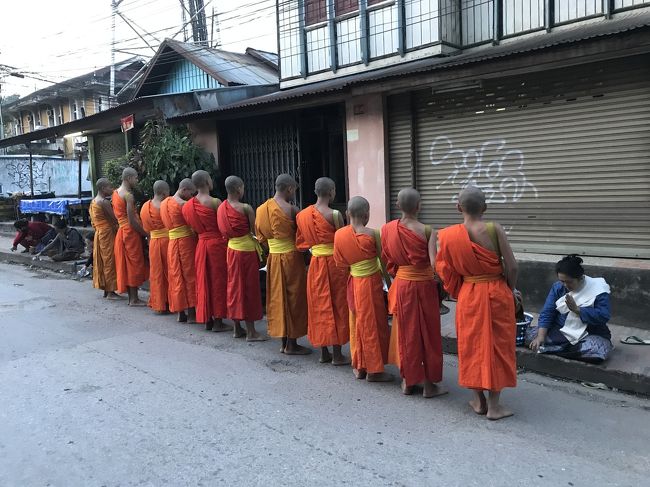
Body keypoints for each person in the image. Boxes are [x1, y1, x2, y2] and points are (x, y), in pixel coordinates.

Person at [435, 186, 518, 420]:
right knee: (497, 345)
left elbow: (445, 270)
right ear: (485, 207)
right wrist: (509, 290)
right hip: (496, 291)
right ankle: (494, 406)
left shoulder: (448, 235)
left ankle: (478, 400)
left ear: (458, 207)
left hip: (469, 292)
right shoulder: (494, 229)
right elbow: (512, 266)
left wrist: (460, 288)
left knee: (471, 344)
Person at [381, 188, 446, 397]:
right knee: (428, 333)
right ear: (419, 206)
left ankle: (408, 381)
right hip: (424, 286)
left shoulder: (388, 229)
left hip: (402, 286)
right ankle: (428, 385)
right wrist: (443, 280)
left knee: (406, 334)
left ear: (398, 206)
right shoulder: (427, 231)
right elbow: (435, 264)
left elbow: (388, 260)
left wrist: (399, 275)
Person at [333, 196, 392, 382]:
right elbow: (384, 263)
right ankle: (375, 371)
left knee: (357, 323)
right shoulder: (373, 234)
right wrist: (389, 286)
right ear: (367, 215)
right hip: (371, 284)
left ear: (347, 214)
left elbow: (340, 264)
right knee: (373, 324)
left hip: (354, 282)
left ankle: (359, 367)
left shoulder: (339, 235)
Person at [295, 177, 350, 365]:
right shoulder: (334, 214)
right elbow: (343, 240)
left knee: (318, 305)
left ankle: (323, 353)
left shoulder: (302, 215)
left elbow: (301, 244)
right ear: (332, 191)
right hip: (334, 265)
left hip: (315, 264)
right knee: (336, 305)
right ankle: (337, 354)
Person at [256, 174, 310, 355]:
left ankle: (283, 342)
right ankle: (292, 344)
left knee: (277, 297)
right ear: (289, 189)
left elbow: (261, 237)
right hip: (291, 258)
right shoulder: (292, 210)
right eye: (294, 190)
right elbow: (301, 237)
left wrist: (274, 248)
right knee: (294, 298)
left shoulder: (262, 209)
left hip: (273, 257)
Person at [528, 255, 612, 363]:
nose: (565, 285)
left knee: (597, 350)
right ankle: (561, 349)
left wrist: (577, 310)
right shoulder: (558, 287)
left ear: (580, 278)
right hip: (560, 330)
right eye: (562, 281)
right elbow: (548, 312)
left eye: (569, 281)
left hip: (588, 334)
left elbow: (604, 316)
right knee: (531, 336)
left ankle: (555, 348)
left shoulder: (598, 289)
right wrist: (540, 337)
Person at [216, 176, 266, 341]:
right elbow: (256, 232)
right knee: (249, 289)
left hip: (231, 251)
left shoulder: (221, 208)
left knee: (234, 287)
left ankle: (237, 329)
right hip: (246, 253)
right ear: (239, 189)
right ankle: (251, 332)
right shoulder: (246, 208)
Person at [182, 170, 231, 332]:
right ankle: (218, 321)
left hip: (201, 244)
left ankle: (207, 318)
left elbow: (193, 229)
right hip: (216, 245)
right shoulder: (215, 202)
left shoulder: (187, 206)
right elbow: (223, 226)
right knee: (217, 281)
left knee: (203, 281)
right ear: (206, 182)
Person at [160, 178, 198, 323]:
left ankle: (180, 312)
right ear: (184, 190)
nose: (192, 196)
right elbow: (193, 225)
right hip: (186, 242)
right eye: (191, 193)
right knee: (189, 275)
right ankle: (192, 313)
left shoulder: (164, 203)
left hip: (172, 243)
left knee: (175, 275)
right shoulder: (183, 204)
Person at [113, 168, 148, 306]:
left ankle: (132, 298)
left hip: (122, 231)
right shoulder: (128, 195)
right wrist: (145, 234)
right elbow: (132, 220)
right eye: (136, 178)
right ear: (128, 178)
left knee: (126, 264)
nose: (137, 180)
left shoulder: (115, 193)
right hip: (130, 232)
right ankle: (134, 299)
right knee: (133, 264)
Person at [140, 180, 170, 314]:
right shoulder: (166, 205)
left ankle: (158, 303)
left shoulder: (145, 207)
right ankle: (169, 302)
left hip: (153, 242)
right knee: (169, 273)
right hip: (167, 242)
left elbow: (146, 228)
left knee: (156, 273)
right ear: (164, 193)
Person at [89, 178, 121, 299]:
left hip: (99, 233)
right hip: (107, 233)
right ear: (103, 189)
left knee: (103, 260)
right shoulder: (103, 202)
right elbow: (114, 218)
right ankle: (110, 291)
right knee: (109, 261)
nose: (111, 189)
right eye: (109, 187)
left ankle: (106, 290)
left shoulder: (93, 201)